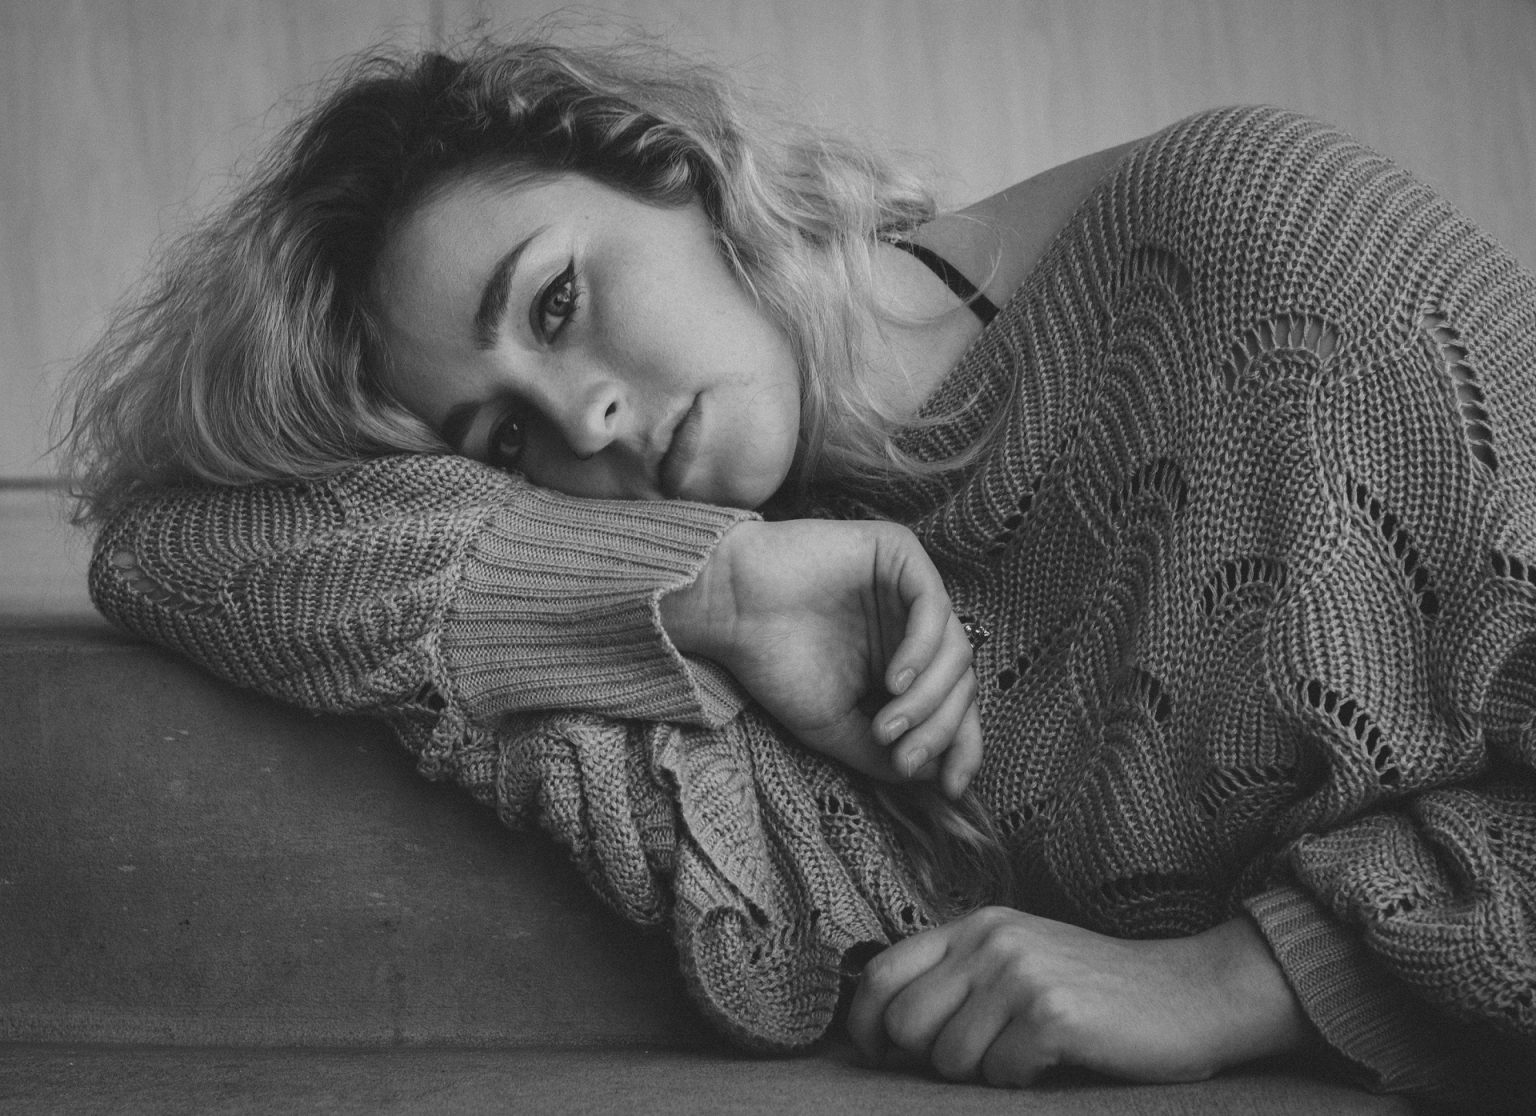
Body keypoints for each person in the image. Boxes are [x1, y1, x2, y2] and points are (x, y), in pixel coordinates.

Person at [58, 34, 1536, 1106]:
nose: (587, 425)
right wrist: (717, 589)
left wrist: (1240, 980)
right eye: (503, 437)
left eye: (558, 302)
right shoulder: (750, 597)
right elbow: (173, 552)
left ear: (672, 168)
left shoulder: (1269, 251)